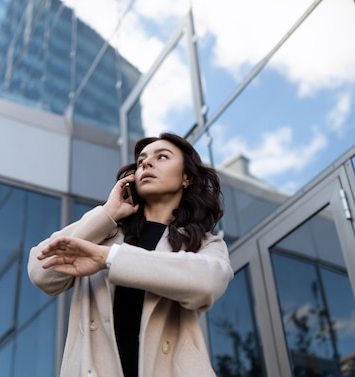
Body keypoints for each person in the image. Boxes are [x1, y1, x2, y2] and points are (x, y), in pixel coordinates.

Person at [27, 132, 233, 377]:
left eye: (162, 157)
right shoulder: (105, 232)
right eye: (141, 161)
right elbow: (41, 272)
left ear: (186, 178)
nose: (146, 163)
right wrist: (108, 212)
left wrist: (108, 258)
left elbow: (207, 283)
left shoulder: (204, 244)